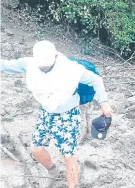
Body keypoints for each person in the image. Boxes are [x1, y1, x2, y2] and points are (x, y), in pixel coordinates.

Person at [0, 40, 113, 188]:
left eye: (48, 63)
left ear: (55, 56)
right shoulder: (29, 64)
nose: (45, 67)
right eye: (42, 64)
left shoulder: (71, 68)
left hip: (68, 114)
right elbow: (6, 66)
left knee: (68, 154)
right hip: (46, 113)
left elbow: (96, 80)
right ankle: (53, 171)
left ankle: (73, 185)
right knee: (36, 149)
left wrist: (104, 103)